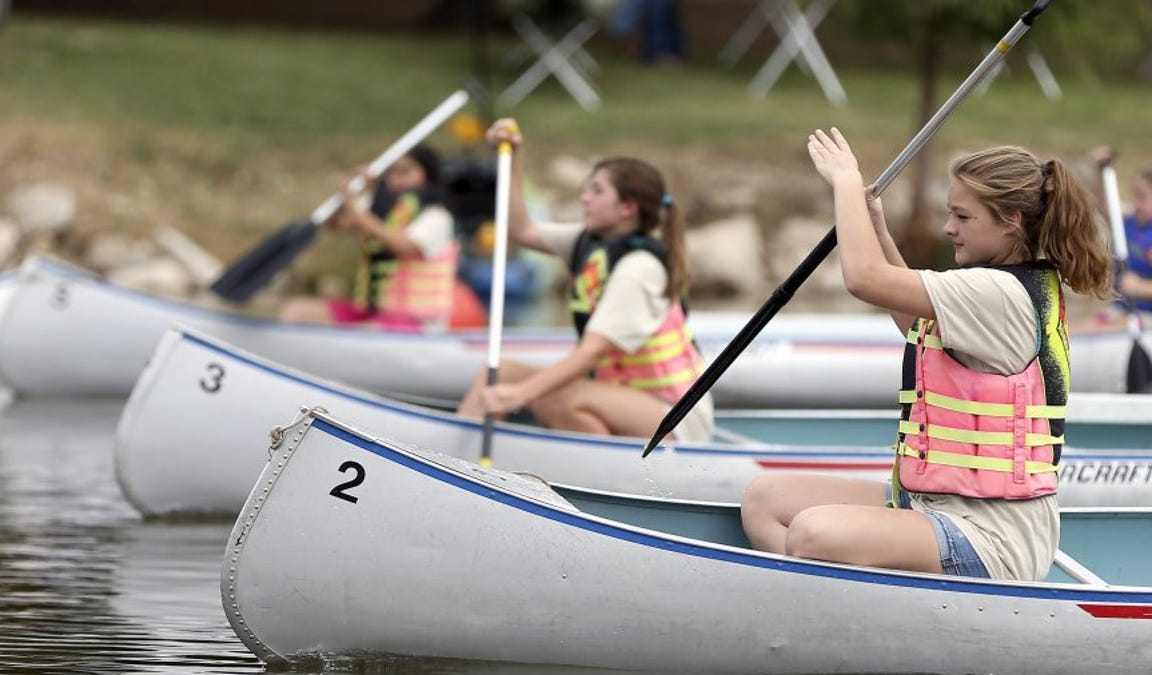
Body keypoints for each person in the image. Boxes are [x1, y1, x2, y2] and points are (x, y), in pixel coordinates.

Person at [740, 129, 1112, 581]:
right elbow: (915, 327)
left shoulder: (998, 291)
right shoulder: (995, 284)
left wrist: (844, 182)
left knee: (812, 533)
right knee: (764, 499)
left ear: (1011, 220)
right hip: (933, 506)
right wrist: (875, 224)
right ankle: (832, 601)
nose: (947, 228)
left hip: (988, 535)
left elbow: (864, 279)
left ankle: (832, 603)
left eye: (962, 216)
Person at [456, 118, 714, 442]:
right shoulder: (587, 242)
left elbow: (590, 353)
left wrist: (520, 394)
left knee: (558, 396)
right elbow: (520, 230)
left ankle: (608, 472)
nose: (584, 198)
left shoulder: (638, 268)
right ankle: (453, 460)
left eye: (597, 190)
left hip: (674, 414)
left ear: (627, 208)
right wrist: (514, 156)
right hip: (620, 396)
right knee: (500, 372)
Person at [278, 145, 461, 330]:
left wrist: (357, 214)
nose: (396, 180)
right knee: (295, 310)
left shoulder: (437, 216)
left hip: (416, 321)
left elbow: (401, 246)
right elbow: (334, 223)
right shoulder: (380, 211)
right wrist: (355, 188)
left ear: (427, 175)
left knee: (368, 329)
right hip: (374, 311)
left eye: (405, 172)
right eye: (393, 172)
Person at [1091, 147, 1152, 316]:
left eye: (1142, 197)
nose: (1137, 204)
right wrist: (1102, 172)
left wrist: (1140, 288)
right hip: (1122, 310)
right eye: (1135, 196)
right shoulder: (1130, 219)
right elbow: (1105, 207)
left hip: (1146, 317)